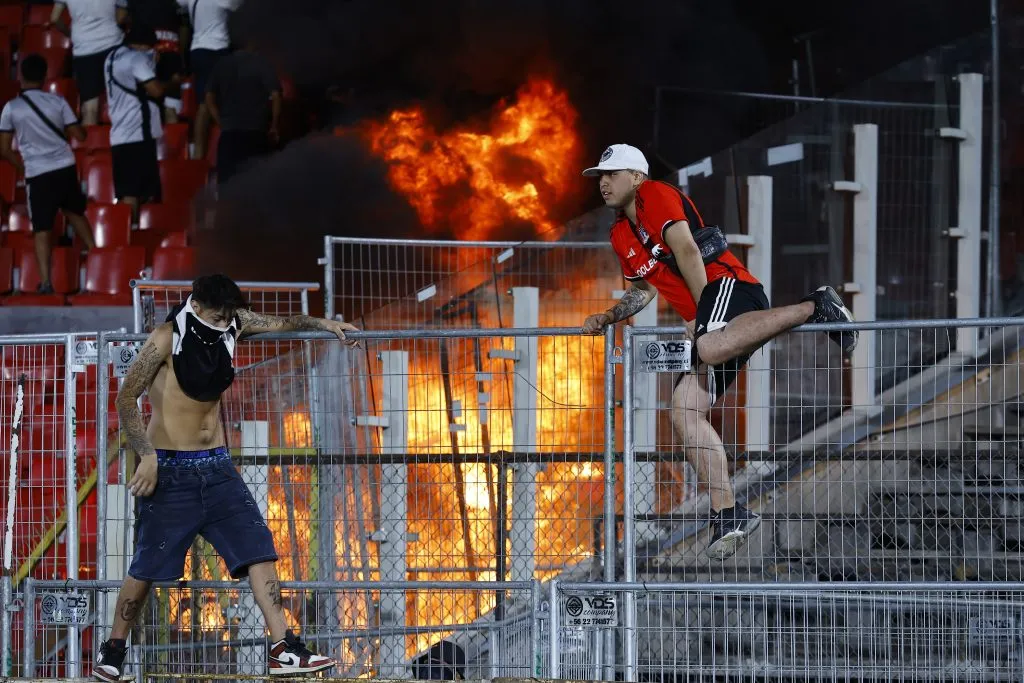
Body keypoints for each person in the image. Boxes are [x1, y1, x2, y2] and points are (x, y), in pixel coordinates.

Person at [581, 144, 858, 560]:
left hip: (728, 289)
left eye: (612, 173)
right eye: (599, 176)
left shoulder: (654, 194)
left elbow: (689, 251)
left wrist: (705, 319)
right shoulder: (619, 233)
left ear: (636, 177)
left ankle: (815, 304)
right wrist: (610, 315)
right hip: (712, 320)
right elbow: (643, 290)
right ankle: (729, 512)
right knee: (683, 410)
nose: (603, 182)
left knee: (709, 346)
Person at [92, 273, 360, 682]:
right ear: (196, 306)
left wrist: (326, 324)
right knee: (146, 565)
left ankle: (284, 647)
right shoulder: (166, 337)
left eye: (228, 317)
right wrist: (145, 456)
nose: (223, 323)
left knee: (259, 548)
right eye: (216, 316)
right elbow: (127, 397)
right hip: (169, 468)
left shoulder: (232, 322)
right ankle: (113, 651)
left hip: (217, 467)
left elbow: (282, 322)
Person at [0, 54, 96, 292]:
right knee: (76, 214)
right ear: (44, 77)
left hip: (37, 174)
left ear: (21, 76)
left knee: (42, 229)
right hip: (64, 167)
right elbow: (80, 136)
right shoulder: (58, 102)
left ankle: (45, 282)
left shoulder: (12, 108)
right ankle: (96, 258)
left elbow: (4, 149)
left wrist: (24, 167)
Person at [105, 25, 175, 215]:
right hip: (137, 133)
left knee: (130, 191)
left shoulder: (111, 57)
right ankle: (131, 233)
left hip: (120, 134)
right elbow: (156, 91)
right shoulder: (136, 59)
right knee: (135, 194)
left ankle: (129, 233)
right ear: (143, 46)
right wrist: (172, 82)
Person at [204, 39, 280, 184]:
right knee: (256, 185)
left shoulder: (222, 64)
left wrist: (220, 121)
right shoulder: (261, 62)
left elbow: (208, 96)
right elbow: (276, 95)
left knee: (228, 186)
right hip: (256, 132)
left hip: (229, 134)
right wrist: (274, 125)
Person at [48, 0, 128, 125]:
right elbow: (122, 16)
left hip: (84, 49)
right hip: (113, 44)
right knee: (122, 103)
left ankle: (91, 143)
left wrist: (70, 34)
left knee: (90, 109)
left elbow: (54, 18)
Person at [178, 0, 240, 159]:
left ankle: (199, 155)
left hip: (197, 50)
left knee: (203, 103)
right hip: (217, 50)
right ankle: (224, 148)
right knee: (219, 102)